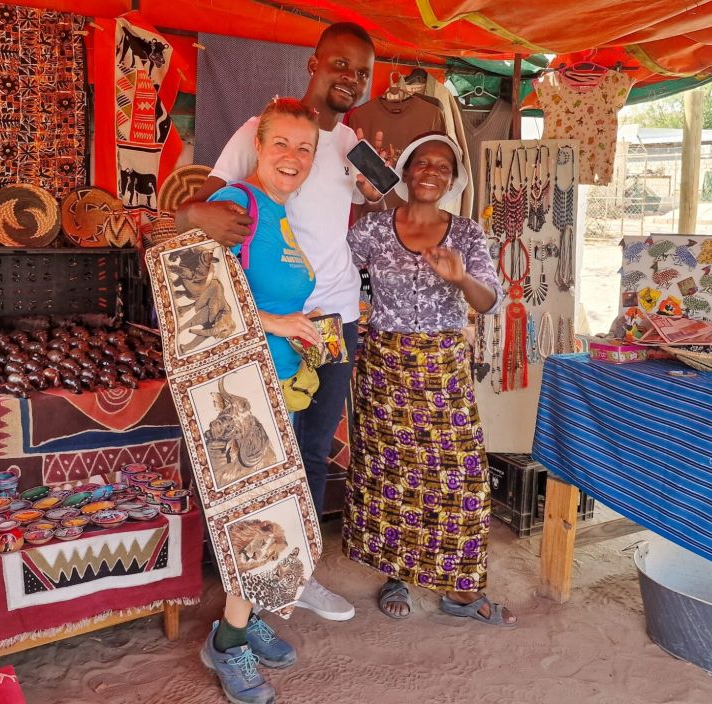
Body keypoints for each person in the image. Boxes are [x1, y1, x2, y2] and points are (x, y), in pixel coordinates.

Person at [177, 21, 381, 622]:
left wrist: (374, 187)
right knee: (258, 453)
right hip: (270, 316)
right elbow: (208, 208)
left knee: (311, 450)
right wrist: (190, 214)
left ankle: (299, 572)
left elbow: (355, 206)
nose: (350, 79)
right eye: (340, 65)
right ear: (314, 63)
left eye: (362, 72)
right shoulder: (258, 129)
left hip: (334, 315)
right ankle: (245, 583)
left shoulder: (349, 143)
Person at [342, 133, 516, 627]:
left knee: (461, 474)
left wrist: (460, 278)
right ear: (405, 170)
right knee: (390, 473)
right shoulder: (374, 229)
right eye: (422, 162)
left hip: (442, 367)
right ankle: (395, 575)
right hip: (385, 366)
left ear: (452, 179)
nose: (431, 171)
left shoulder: (466, 234)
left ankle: (460, 590)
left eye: (442, 165)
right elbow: (333, 272)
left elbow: (489, 302)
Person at [198, 98, 324, 704]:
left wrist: (300, 327)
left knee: (268, 514)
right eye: (282, 144)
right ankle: (227, 643)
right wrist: (276, 323)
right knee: (254, 519)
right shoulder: (237, 204)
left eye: (305, 148)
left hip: (277, 385)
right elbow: (198, 297)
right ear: (258, 146)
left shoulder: (279, 212)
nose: (292, 157)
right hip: (241, 394)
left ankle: (242, 620)